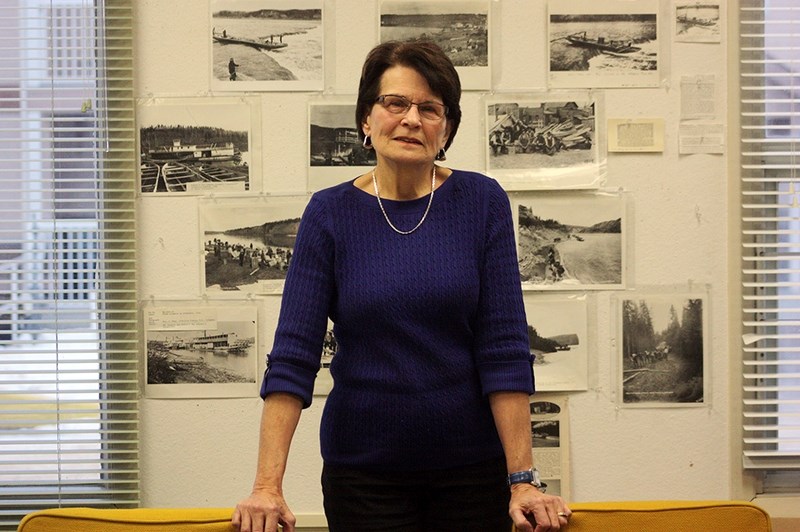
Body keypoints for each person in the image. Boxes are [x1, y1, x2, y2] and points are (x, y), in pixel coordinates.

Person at [232, 40, 571, 532]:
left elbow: (504, 349)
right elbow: (293, 356)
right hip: (363, 476)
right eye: (395, 103)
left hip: (472, 472)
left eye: (430, 108)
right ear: (367, 120)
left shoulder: (482, 202)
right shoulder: (329, 214)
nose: (412, 118)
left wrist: (523, 479)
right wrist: (266, 486)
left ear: (446, 128)